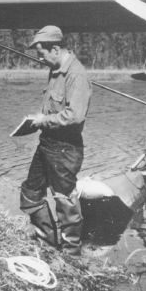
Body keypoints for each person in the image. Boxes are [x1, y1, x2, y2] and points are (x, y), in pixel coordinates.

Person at [20, 26, 92, 256]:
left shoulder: (76, 74)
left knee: (65, 202)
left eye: (41, 53)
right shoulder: (55, 68)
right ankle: (48, 244)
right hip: (47, 144)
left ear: (56, 48)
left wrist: (44, 120)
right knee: (30, 193)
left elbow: (74, 115)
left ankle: (71, 254)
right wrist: (38, 121)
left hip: (65, 149)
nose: (40, 58)